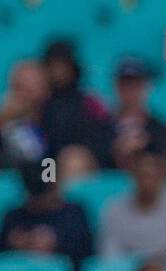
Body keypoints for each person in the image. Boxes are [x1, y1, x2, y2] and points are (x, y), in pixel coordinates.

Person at [98, 142, 166, 271]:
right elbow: (109, 255)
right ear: (132, 173)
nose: (148, 179)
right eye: (143, 174)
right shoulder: (113, 208)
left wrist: (159, 269)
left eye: (154, 173)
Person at [0, 161, 94, 271]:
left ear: (54, 186)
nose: (40, 200)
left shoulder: (74, 213)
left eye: (44, 192)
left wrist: (56, 243)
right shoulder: (14, 216)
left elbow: (85, 253)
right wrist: (16, 244)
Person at [38, 39, 114, 178]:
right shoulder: (40, 103)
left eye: (62, 66)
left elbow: (105, 138)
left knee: (72, 160)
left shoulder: (89, 102)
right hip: (48, 163)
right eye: (53, 66)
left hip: (82, 162)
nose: (57, 72)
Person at [108, 56, 166, 174]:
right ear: (116, 86)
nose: (130, 90)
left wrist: (147, 150)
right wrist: (116, 152)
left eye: (136, 84)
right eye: (125, 84)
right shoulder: (99, 128)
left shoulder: (164, 132)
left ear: (147, 87)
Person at [0, 61, 49, 168]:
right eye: (20, 87)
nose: (26, 94)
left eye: (34, 86)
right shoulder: (6, 120)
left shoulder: (57, 116)